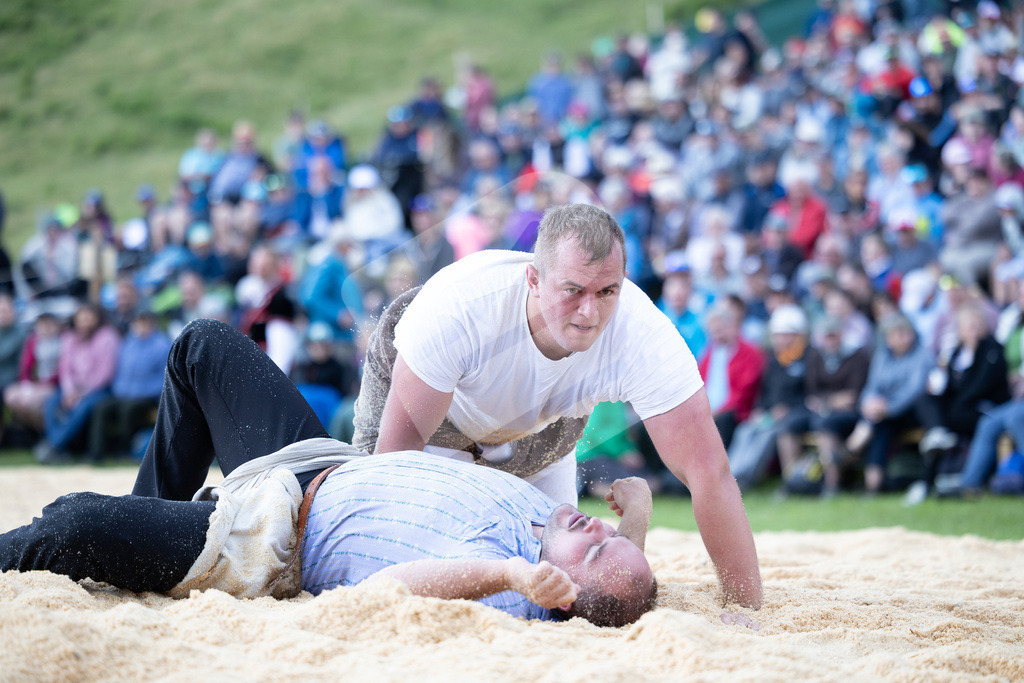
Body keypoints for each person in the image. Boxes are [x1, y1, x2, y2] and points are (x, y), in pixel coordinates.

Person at [0, 319, 657, 628]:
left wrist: (510, 574)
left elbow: (391, 588)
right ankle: (148, 528)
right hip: (319, 458)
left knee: (73, 523)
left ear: (558, 593)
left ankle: (119, 541)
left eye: (597, 545)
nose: (595, 527)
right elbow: (614, 587)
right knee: (201, 346)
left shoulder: (512, 589)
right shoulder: (556, 530)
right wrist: (636, 524)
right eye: (608, 533)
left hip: (272, 532)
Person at [353, 204, 763, 610]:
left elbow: (710, 472)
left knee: (576, 589)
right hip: (433, 406)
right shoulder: (461, 306)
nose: (589, 312)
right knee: (412, 552)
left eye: (607, 291)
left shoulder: (642, 334)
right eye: (573, 291)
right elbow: (394, 472)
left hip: (543, 424)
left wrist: (744, 610)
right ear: (533, 279)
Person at [36, 304, 121, 462]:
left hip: (99, 389)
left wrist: (81, 392)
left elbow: (105, 372)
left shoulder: (107, 337)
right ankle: (58, 448)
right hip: (71, 389)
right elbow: (65, 368)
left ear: (97, 318)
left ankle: (53, 445)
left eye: (88, 318)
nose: (85, 322)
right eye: (81, 318)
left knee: (82, 407)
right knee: (51, 403)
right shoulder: (69, 337)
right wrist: (69, 391)